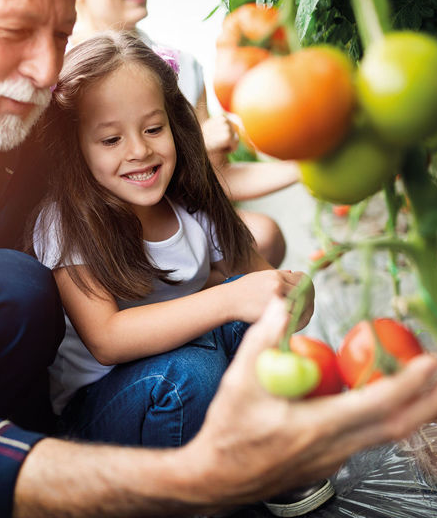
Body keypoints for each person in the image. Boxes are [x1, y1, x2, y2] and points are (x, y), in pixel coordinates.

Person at [0, 0, 437, 517]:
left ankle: (268, 460)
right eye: (14, 30)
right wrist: (195, 478)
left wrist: (279, 292)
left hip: (47, 369)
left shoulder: (39, 109)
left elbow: (242, 259)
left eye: (60, 34)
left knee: (226, 322)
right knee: (162, 358)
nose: (46, 71)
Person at [31, 31, 313, 452]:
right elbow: (107, 339)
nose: (139, 150)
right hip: (101, 412)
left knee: (249, 319)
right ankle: (176, 495)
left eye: (152, 128)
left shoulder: (193, 205)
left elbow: (264, 284)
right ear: (76, 147)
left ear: (173, 124)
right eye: (111, 139)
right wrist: (230, 299)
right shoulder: (66, 221)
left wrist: (294, 296)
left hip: (184, 377)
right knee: (188, 373)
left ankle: (255, 453)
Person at [60, 0, 300, 267]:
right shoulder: (61, 78)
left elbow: (219, 179)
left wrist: (306, 169)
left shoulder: (184, 68)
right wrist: (193, 147)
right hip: (106, 242)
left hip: (180, 228)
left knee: (264, 235)